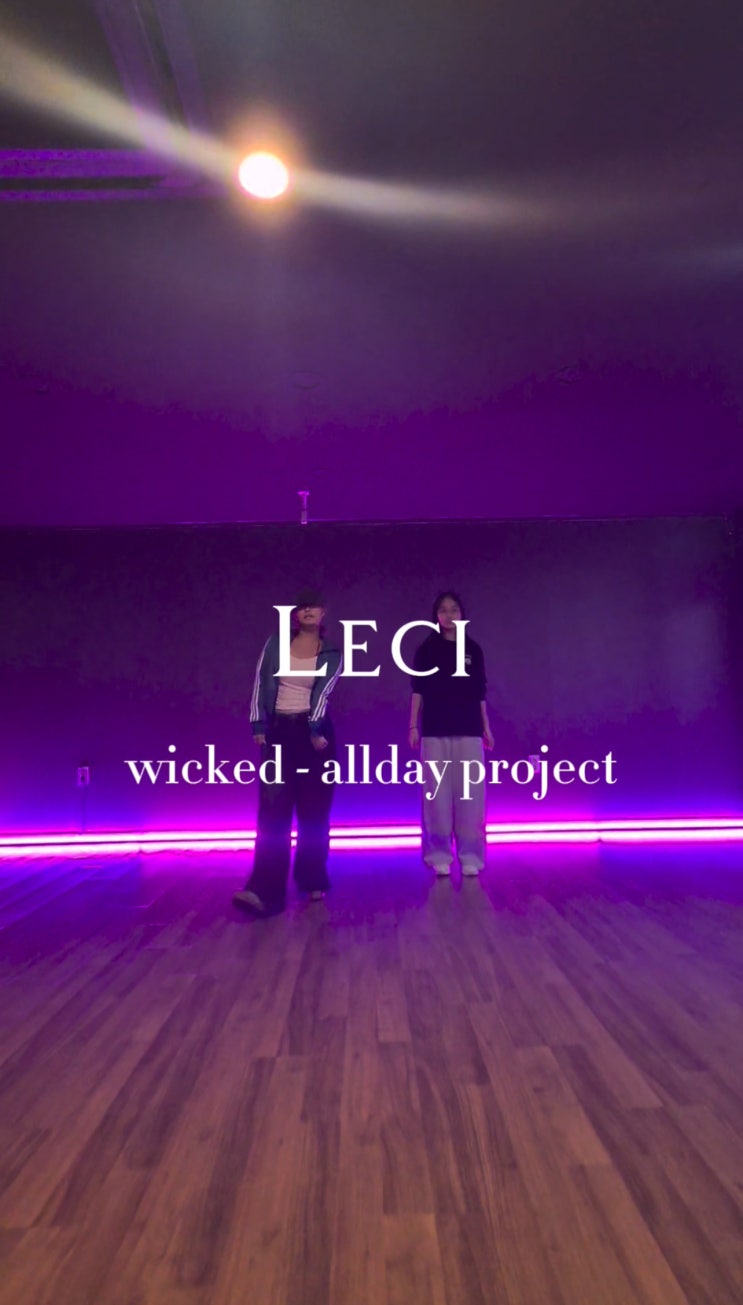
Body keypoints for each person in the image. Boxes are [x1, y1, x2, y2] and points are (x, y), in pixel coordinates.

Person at [233, 587, 342, 915]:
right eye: (302, 607)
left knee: (314, 811)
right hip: (279, 732)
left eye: (314, 607)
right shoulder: (276, 644)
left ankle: (312, 878)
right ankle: (264, 890)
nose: (308, 611)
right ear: (295, 615)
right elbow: (260, 683)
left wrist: (315, 730)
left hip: (314, 737)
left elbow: (323, 694)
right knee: (272, 812)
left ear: (323, 614)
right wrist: (258, 724)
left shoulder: (331, 652)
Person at [409, 591, 493, 876]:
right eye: (443, 610)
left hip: (469, 730)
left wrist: (486, 727)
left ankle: (471, 855)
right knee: (436, 797)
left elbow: (480, 692)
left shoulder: (473, 650)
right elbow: (418, 690)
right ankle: (439, 854)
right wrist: (413, 726)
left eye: (454, 609)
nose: (448, 615)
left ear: (462, 614)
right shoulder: (426, 650)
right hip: (435, 730)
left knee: (471, 798)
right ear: (436, 616)